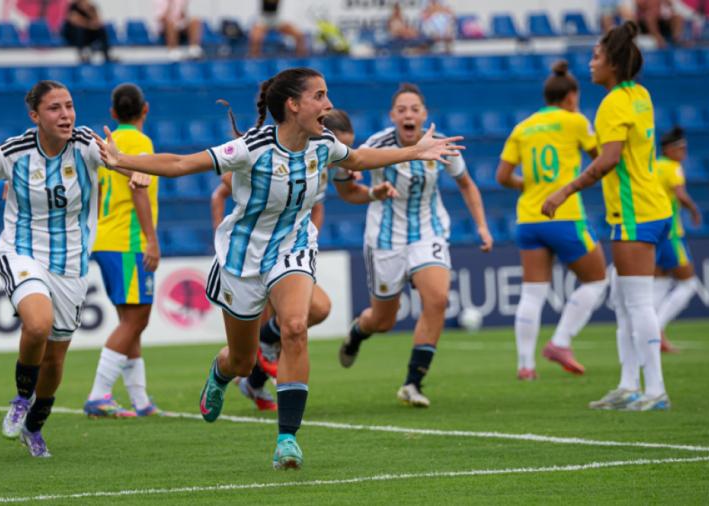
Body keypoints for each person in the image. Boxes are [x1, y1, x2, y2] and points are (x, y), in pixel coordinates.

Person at [92, 67, 462, 470]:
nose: (329, 105)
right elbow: (183, 162)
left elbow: (358, 158)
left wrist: (415, 150)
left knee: (296, 326)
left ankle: (287, 438)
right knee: (242, 360)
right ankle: (221, 373)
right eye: (320, 96)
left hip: (294, 247)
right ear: (293, 104)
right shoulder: (252, 147)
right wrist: (121, 159)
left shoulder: (324, 143)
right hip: (243, 257)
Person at [0, 80, 149, 457]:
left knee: (55, 360)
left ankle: (34, 425)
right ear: (35, 116)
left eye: (69, 106)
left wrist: (132, 170)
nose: (66, 115)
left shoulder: (86, 144)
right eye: (55, 108)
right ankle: (22, 398)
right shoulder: (13, 152)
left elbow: (119, 162)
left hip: (71, 264)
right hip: (21, 253)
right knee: (37, 323)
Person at [210, 109, 398, 412]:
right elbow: (225, 185)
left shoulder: (327, 160)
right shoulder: (276, 154)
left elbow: (347, 193)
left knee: (311, 314)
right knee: (251, 350)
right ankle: (248, 379)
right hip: (252, 255)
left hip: (289, 253)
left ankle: (257, 383)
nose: (343, 152)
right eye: (341, 143)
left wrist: (373, 194)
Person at [542, 21, 672, 411]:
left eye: (596, 56)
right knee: (623, 299)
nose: (590, 63)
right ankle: (630, 384)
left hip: (635, 213)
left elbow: (608, 160)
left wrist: (564, 190)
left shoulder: (613, 103)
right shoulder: (639, 95)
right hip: (651, 206)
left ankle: (655, 391)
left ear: (613, 63)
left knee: (637, 303)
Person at [336, 83, 491, 409]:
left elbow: (467, 185)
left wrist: (481, 226)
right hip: (385, 239)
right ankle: (357, 333)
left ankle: (412, 383)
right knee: (383, 321)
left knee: (436, 299)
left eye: (415, 109)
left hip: (428, 233)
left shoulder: (440, 145)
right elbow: (348, 186)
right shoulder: (376, 145)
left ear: (424, 115)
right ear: (393, 116)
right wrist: (362, 187)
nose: (409, 114)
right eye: (402, 109)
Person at [496, 61, 609, 381]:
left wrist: (527, 186)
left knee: (532, 293)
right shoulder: (574, 121)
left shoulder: (523, 127)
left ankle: (525, 365)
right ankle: (560, 342)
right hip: (564, 215)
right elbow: (601, 158)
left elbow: (502, 176)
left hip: (528, 219)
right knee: (597, 279)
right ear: (571, 96)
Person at [84, 83, 162, 418]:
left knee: (130, 321)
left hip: (104, 238)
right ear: (145, 110)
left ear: (113, 114)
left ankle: (140, 400)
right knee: (136, 319)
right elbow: (139, 188)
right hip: (127, 241)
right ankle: (99, 395)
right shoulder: (140, 143)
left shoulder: (106, 144)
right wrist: (151, 239)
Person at [653, 126, 702, 349]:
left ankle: (651, 334)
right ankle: (656, 329)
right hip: (671, 233)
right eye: (681, 148)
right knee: (688, 284)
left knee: (660, 284)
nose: (684, 153)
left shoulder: (652, 166)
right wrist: (693, 209)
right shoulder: (673, 167)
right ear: (669, 150)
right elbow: (680, 194)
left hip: (653, 233)